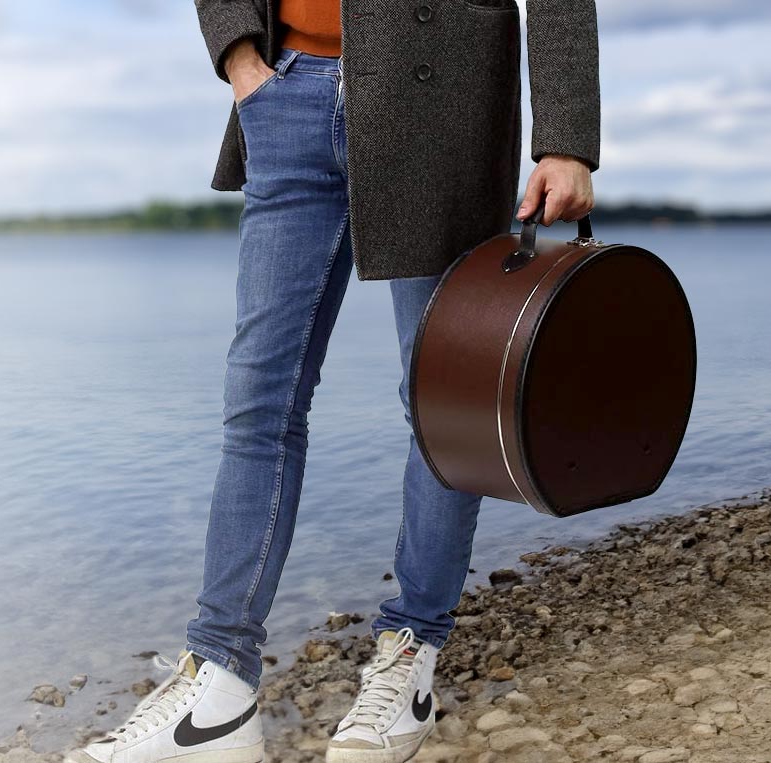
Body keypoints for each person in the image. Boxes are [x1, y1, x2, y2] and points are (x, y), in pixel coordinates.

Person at [64, 1, 599, 762]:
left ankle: (411, 652)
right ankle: (219, 685)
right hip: (288, 94)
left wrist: (567, 137)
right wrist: (241, 61)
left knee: (441, 401)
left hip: (439, 98)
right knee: (258, 401)